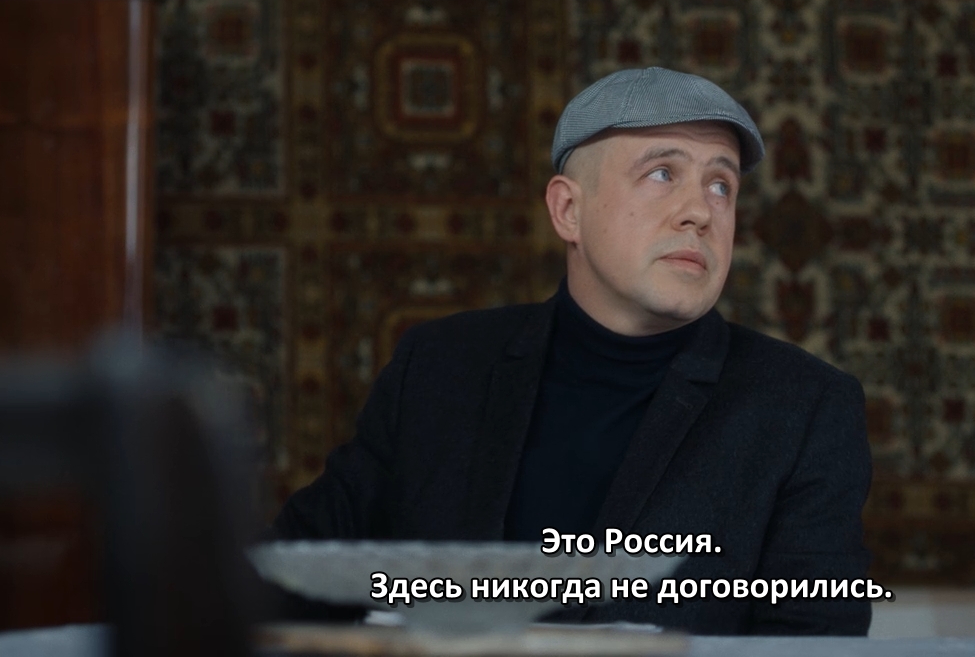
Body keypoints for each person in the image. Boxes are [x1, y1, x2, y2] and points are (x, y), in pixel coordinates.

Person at [271, 67, 873, 635]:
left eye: (722, 185)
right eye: (662, 173)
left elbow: (814, 643)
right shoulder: (438, 367)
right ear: (567, 210)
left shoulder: (806, 408)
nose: (699, 212)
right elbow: (292, 579)